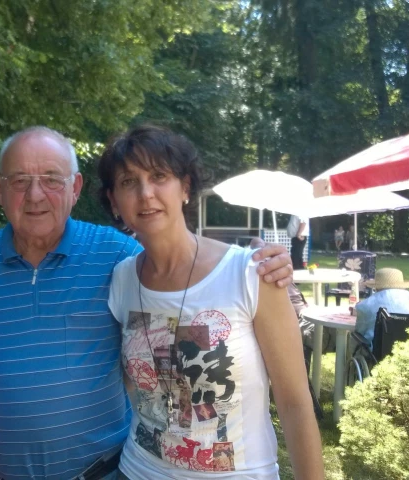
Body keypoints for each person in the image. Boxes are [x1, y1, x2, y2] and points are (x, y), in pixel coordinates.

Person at [0, 126, 296, 479]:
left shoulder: (119, 257)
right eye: (19, 180)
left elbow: (182, 270)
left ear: (76, 188)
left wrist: (261, 265)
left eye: (50, 178)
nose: (35, 195)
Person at [99, 125, 323, 479]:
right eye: (129, 182)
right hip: (137, 470)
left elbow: (295, 402)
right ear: (113, 201)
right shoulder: (122, 280)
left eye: (159, 176)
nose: (146, 194)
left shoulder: (252, 274)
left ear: (185, 187)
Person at [354, 268, 409, 349]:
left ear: (376, 287)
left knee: (354, 338)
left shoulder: (366, 305)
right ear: (402, 286)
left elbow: (359, 331)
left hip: (377, 353)